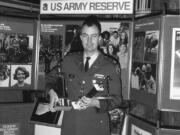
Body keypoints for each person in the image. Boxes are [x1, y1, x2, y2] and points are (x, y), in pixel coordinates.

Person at [46, 15, 123, 135]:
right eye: (86, 36)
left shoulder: (110, 66)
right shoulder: (69, 60)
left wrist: (95, 102)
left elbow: (117, 100)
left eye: (94, 36)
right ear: (81, 38)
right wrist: (51, 91)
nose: (89, 41)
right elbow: (50, 78)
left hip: (96, 127)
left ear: (99, 38)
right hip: (70, 126)